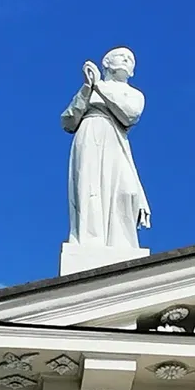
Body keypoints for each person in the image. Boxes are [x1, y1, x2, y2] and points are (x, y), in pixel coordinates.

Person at [62, 48, 150, 251]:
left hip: (115, 139)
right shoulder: (88, 89)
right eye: (122, 56)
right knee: (89, 187)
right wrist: (87, 87)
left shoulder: (134, 94)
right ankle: (90, 242)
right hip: (89, 133)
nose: (127, 60)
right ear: (107, 63)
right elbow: (68, 121)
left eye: (131, 60)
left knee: (126, 191)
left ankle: (121, 243)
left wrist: (98, 86)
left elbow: (129, 114)